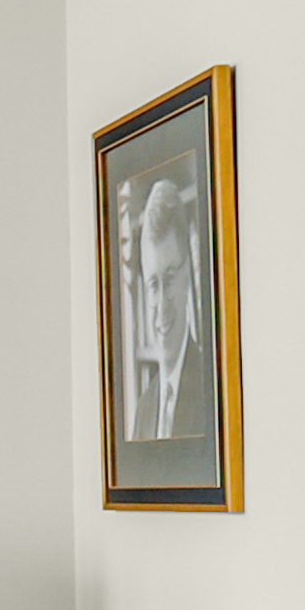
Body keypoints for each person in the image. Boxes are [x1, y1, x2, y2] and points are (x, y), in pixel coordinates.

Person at [121, 167, 208, 440]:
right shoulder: (143, 409)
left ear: (187, 277)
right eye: (153, 285)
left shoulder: (211, 390)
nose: (161, 305)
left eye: (169, 280)